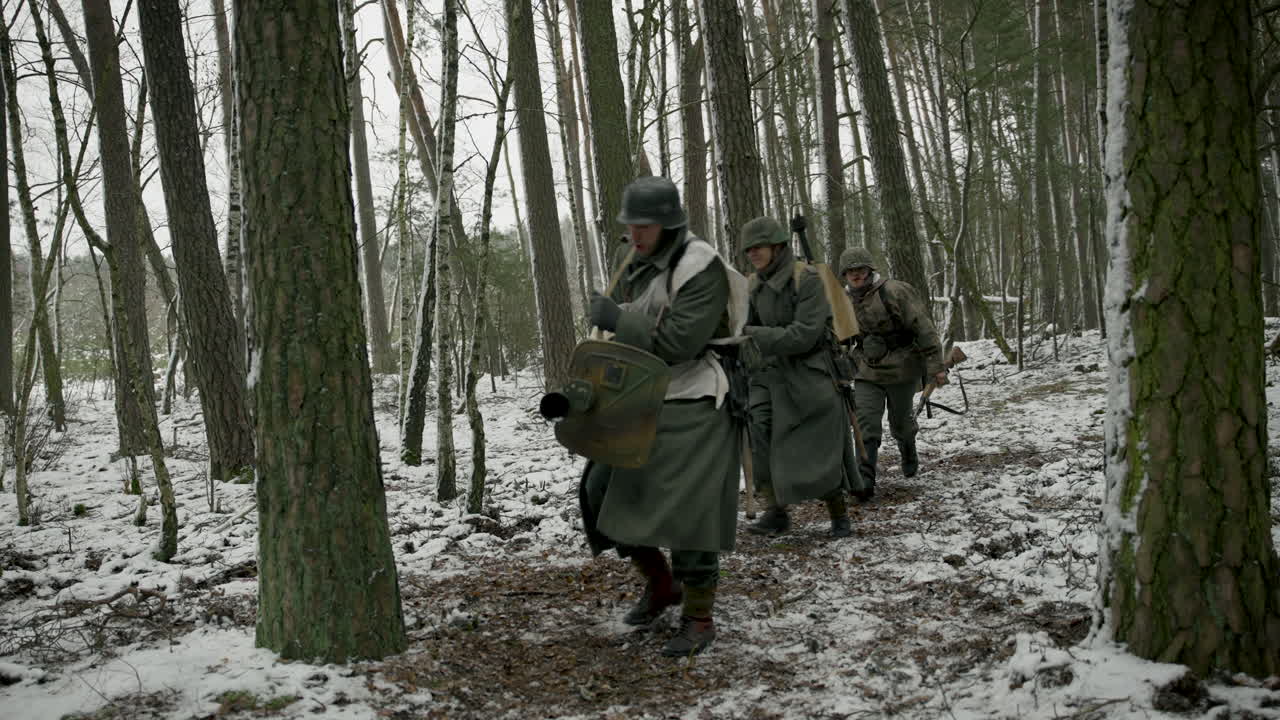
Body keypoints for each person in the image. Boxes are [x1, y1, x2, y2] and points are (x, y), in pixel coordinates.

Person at [579, 176, 745, 657]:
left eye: (643, 225)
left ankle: (699, 615)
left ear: (668, 224)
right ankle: (660, 581)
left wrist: (617, 318)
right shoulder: (639, 261)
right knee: (600, 489)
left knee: (691, 510)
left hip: (697, 395)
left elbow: (679, 343)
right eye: (630, 224)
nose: (634, 233)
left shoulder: (702, 267)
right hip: (645, 392)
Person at [739, 217, 857, 537]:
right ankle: (776, 510)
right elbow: (742, 330)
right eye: (748, 249)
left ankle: (838, 513)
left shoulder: (807, 279)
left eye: (759, 247)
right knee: (758, 432)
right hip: (770, 373)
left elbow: (804, 335)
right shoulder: (753, 285)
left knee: (819, 442)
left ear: (777, 247)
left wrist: (754, 333)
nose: (753, 253)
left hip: (810, 369)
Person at [839, 247, 946, 497]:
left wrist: (936, 366)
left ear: (869, 270)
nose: (856, 275)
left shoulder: (895, 291)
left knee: (901, 423)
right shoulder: (842, 301)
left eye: (860, 270)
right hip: (866, 368)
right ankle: (864, 479)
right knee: (865, 422)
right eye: (850, 271)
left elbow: (923, 327)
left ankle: (908, 447)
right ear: (844, 274)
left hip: (902, 366)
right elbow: (839, 337)